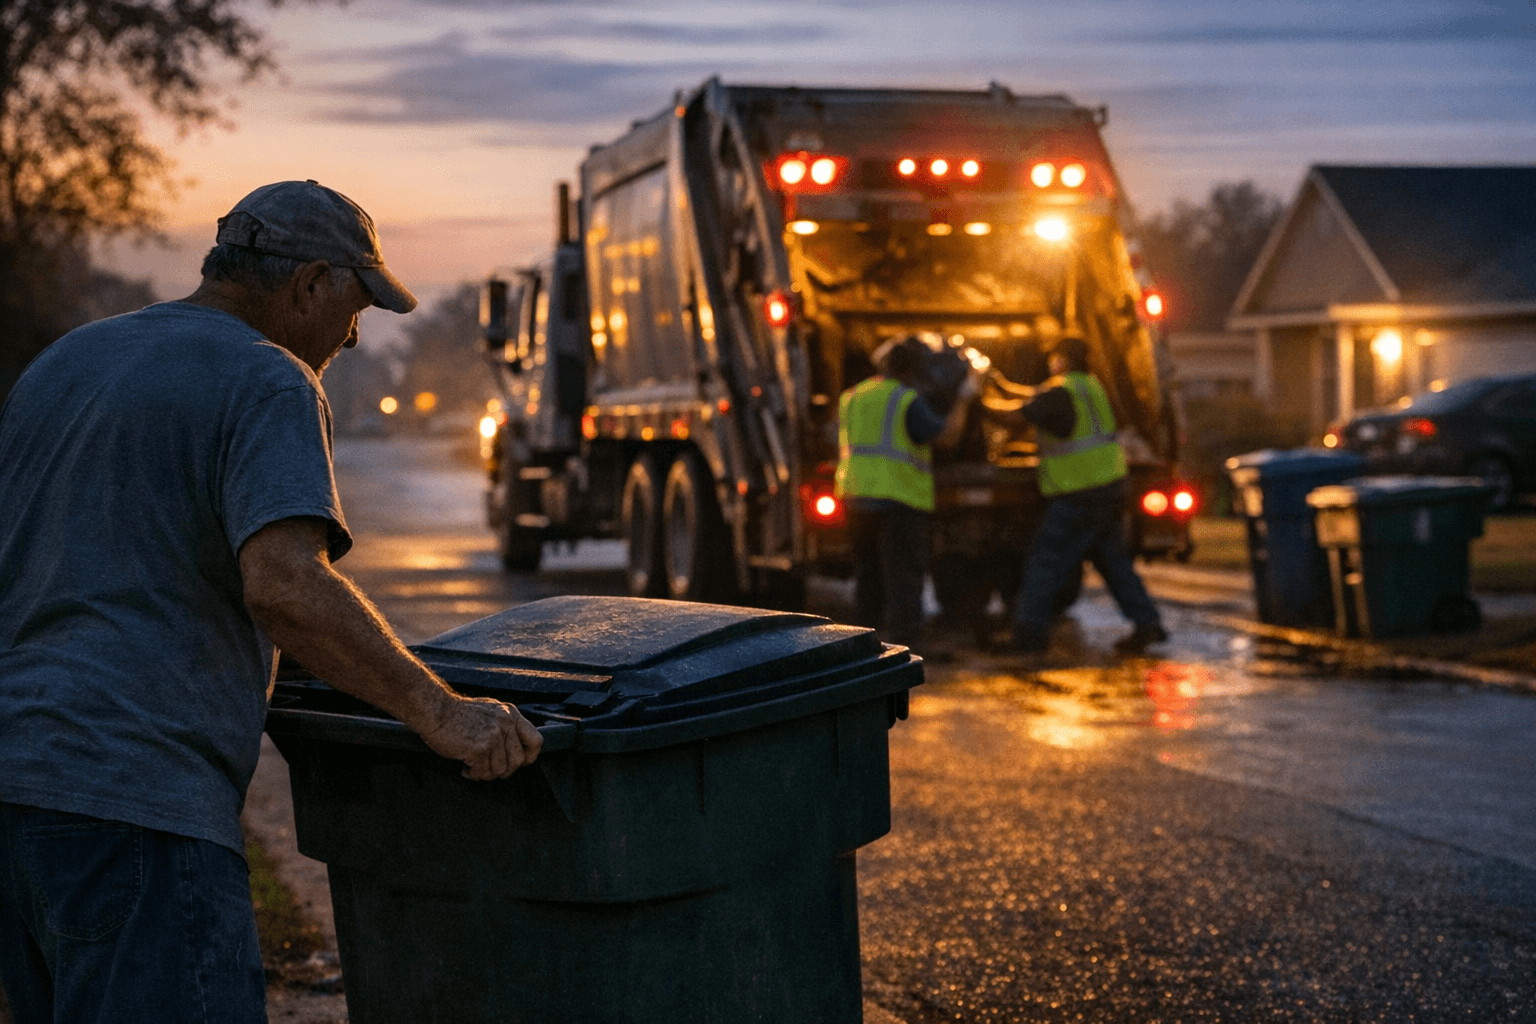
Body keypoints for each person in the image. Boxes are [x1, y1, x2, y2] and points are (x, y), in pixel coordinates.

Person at [0, 180, 543, 1024]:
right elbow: (286, 585)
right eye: (357, 304)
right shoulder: (268, 378)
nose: (357, 336)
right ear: (311, 283)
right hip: (137, 808)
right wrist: (438, 713)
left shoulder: (65, 364)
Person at [988, 334, 1168, 657]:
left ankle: (1028, 635)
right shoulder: (1090, 386)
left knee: (1045, 561)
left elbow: (1012, 416)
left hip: (1079, 493)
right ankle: (1148, 624)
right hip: (1111, 486)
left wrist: (975, 399)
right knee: (1113, 561)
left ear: (1061, 359)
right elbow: (1033, 399)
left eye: (1054, 357)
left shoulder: (1061, 391)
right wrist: (1000, 384)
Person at [835, 335, 978, 652]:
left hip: (856, 497)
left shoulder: (853, 395)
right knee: (904, 578)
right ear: (913, 370)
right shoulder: (905, 400)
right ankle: (905, 645)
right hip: (897, 500)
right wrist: (964, 400)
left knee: (868, 576)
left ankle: (863, 645)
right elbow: (945, 439)